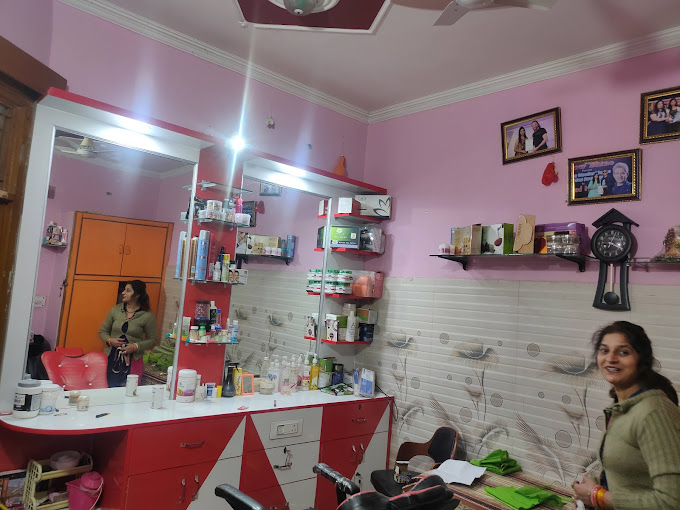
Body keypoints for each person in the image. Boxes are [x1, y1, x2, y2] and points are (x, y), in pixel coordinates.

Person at [570, 321, 680, 510]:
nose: (611, 358)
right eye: (604, 350)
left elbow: (670, 502)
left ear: (641, 360)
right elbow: (631, 476)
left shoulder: (653, 412)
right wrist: (590, 491)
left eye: (623, 352)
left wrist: (597, 496)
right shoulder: (623, 406)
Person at [99, 280, 157, 387]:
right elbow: (102, 331)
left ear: (137, 295)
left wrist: (135, 346)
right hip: (111, 358)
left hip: (133, 361)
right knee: (107, 388)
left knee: (130, 389)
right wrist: (110, 340)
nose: (123, 293)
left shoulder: (147, 316)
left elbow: (152, 340)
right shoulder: (115, 310)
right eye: (124, 290)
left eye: (128, 291)